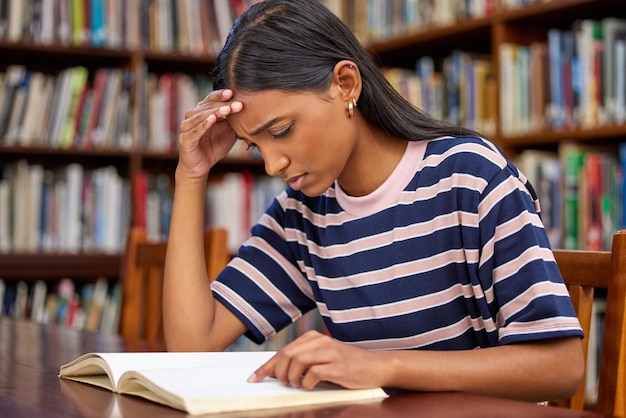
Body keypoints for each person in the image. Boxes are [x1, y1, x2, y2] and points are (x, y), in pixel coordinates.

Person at [163, 0, 584, 404]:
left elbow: (560, 366)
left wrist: (382, 366)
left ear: (345, 83)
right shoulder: (303, 214)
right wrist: (191, 175)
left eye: (281, 130)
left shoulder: (468, 177)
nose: (273, 164)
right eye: (253, 146)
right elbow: (191, 345)